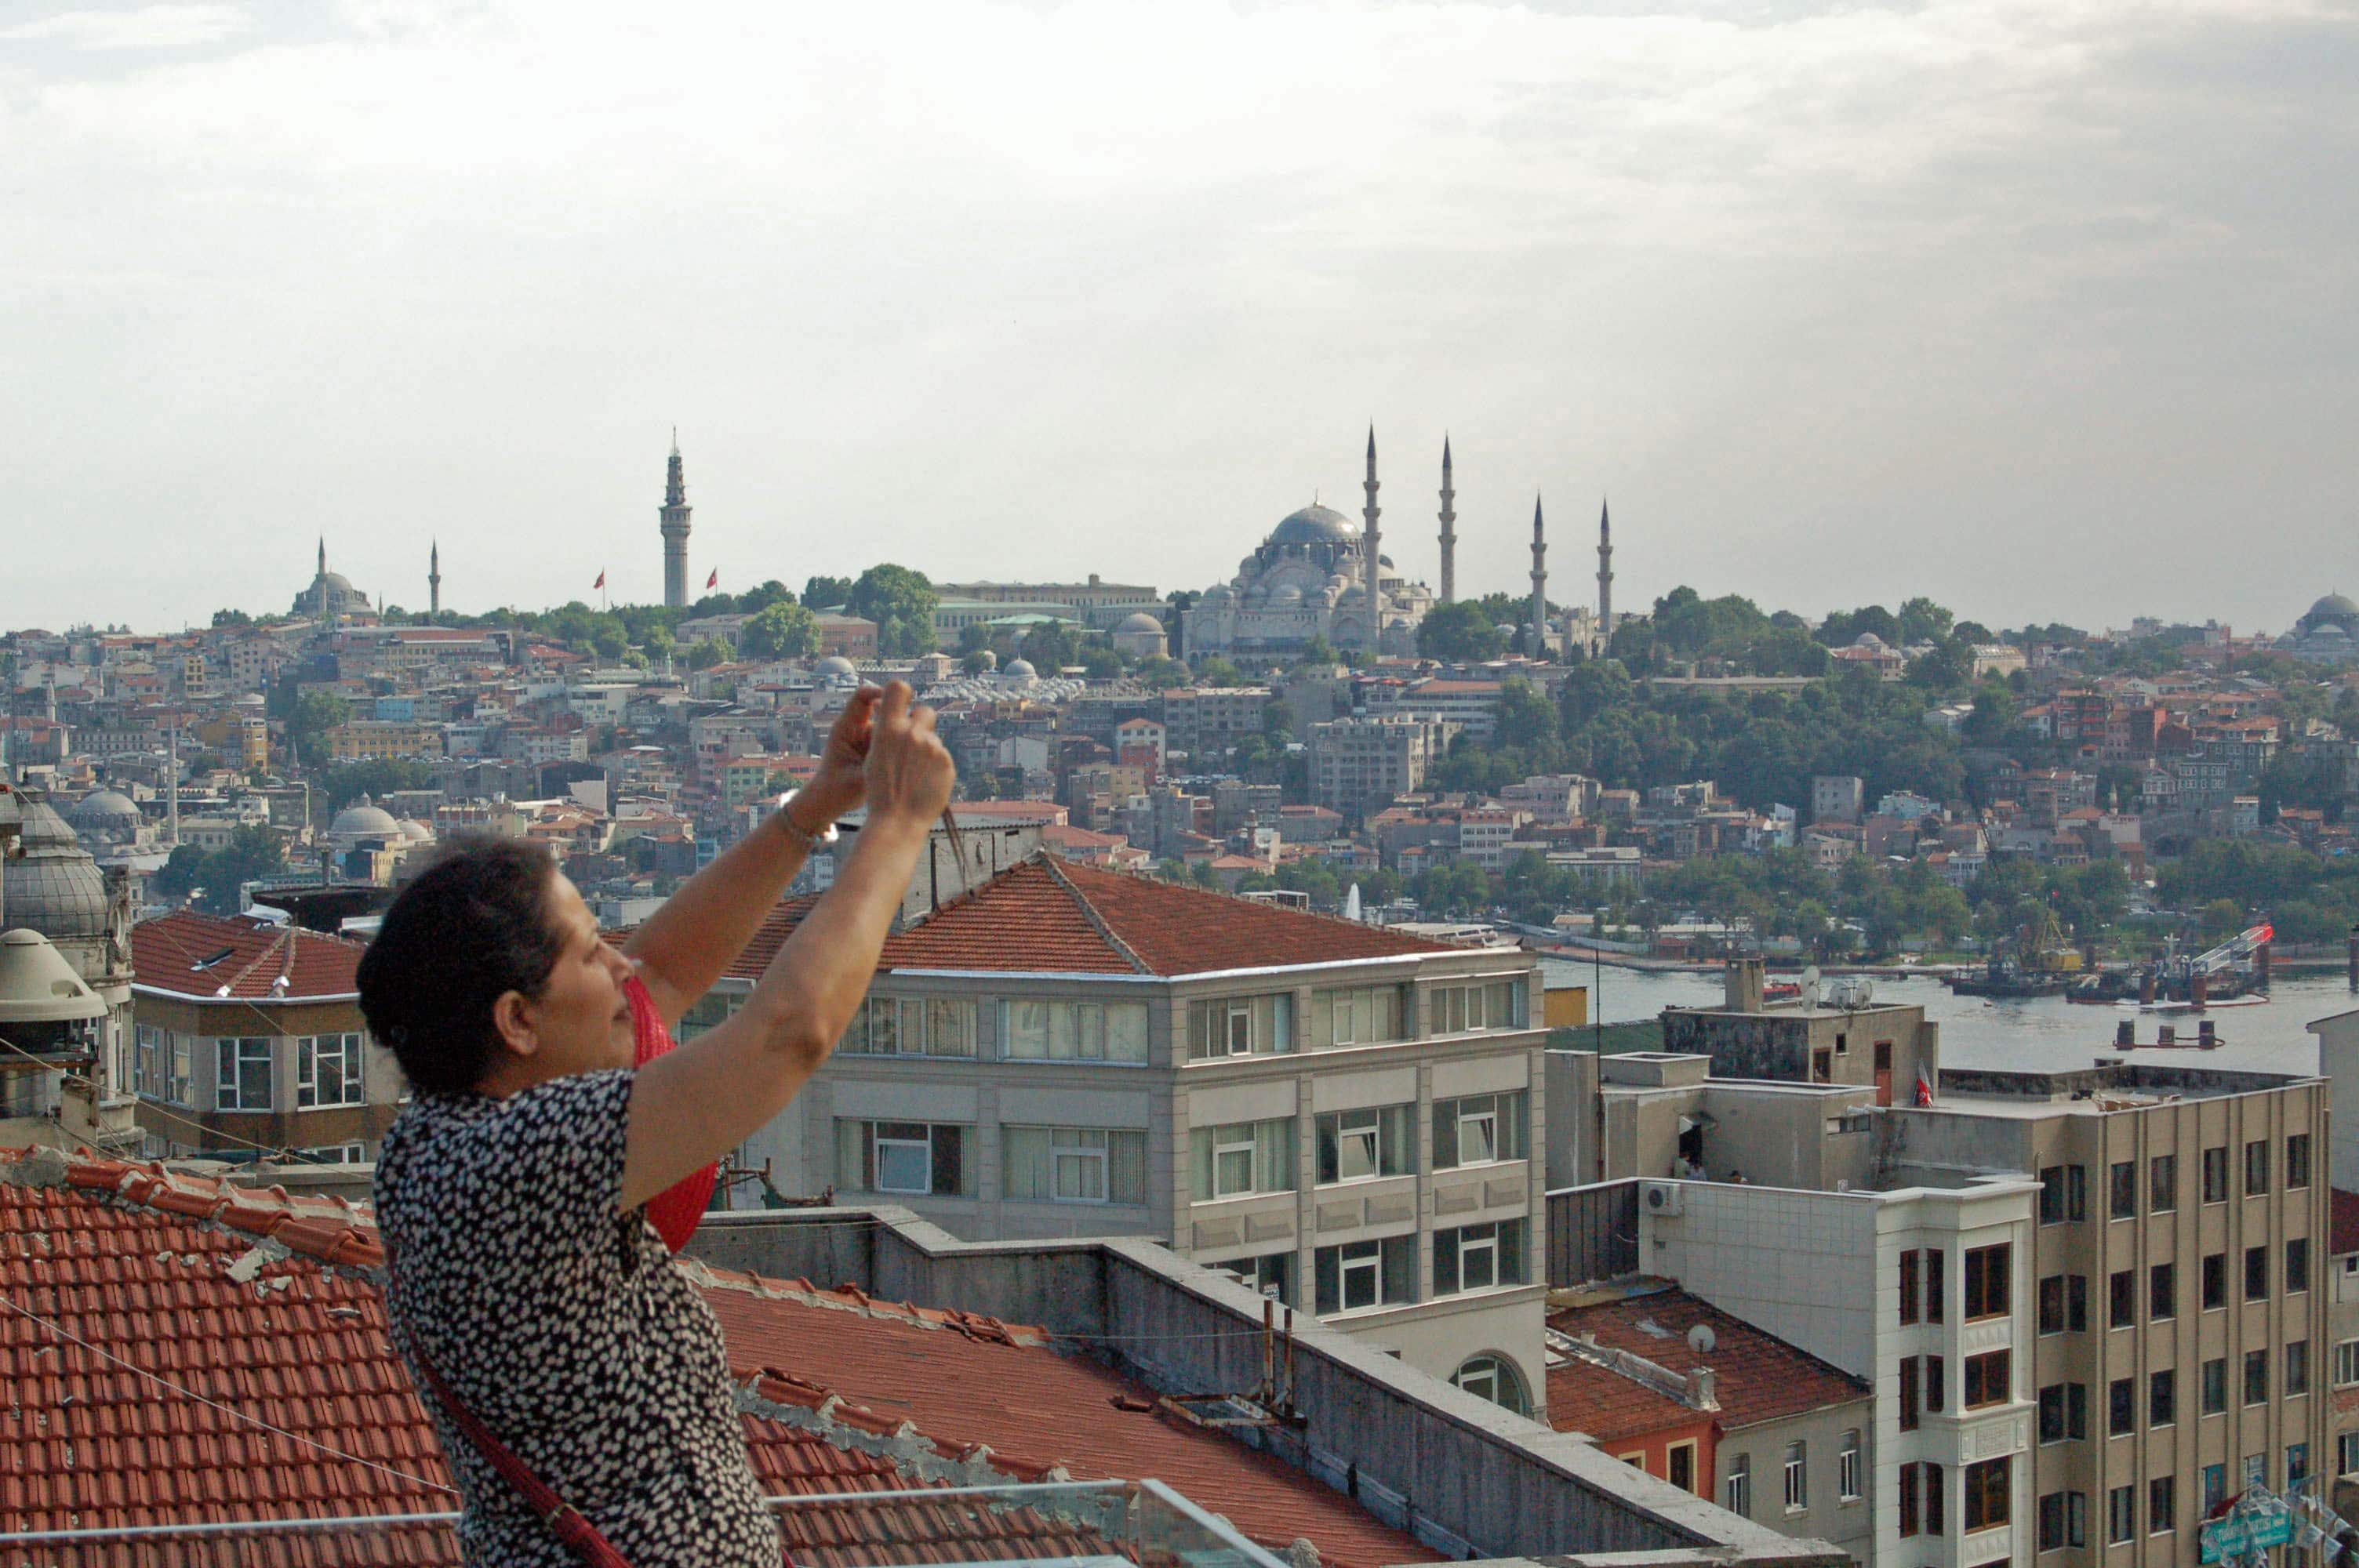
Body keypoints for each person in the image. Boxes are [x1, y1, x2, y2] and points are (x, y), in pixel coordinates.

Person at [360, 681, 954, 1566]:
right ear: (517, 1020)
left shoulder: (446, 1138)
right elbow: (785, 1036)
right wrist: (898, 825)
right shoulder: (512, 1161)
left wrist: (819, 804)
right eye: (590, 947)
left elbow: (661, 977)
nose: (621, 962)